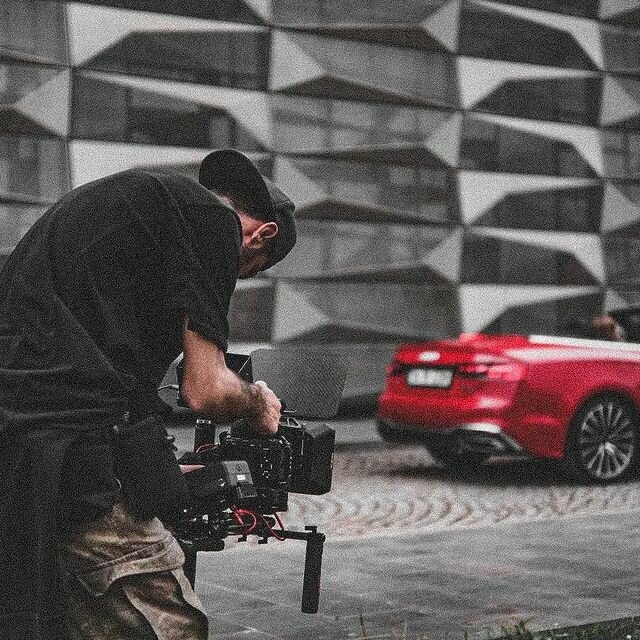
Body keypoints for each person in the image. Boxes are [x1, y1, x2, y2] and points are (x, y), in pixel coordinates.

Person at [0, 149, 296, 639]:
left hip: (21, 444)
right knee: (170, 626)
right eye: (248, 270)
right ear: (261, 235)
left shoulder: (119, 203)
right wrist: (257, 403)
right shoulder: (214, 223)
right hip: (72, 452)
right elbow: (206, 390)